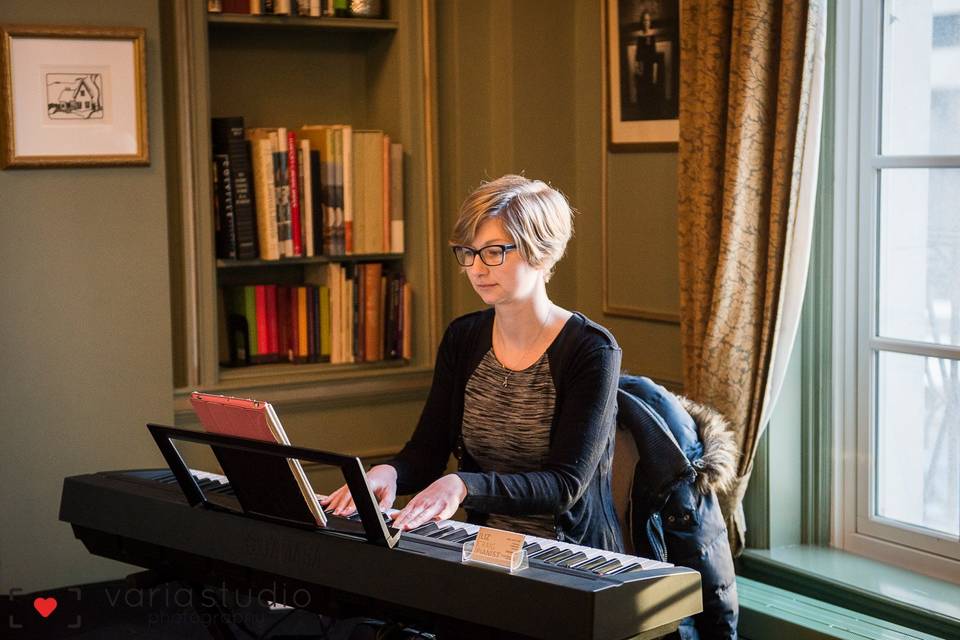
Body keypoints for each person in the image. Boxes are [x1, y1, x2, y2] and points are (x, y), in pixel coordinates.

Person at [322, 174, 624, 551]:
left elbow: (564, 485)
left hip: (570, 554)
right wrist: (390, 472)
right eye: (468, 252)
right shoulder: (464, 338)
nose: (477, 269)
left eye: (494, 252)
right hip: (484, 545)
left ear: (542, 252)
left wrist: (464, 484)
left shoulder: (591, 350)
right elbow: (427, 452)